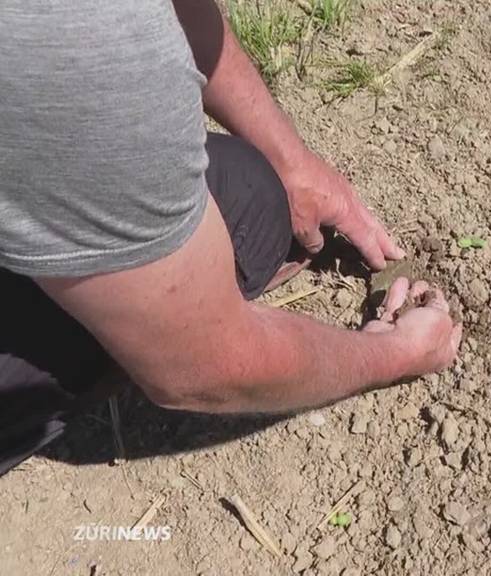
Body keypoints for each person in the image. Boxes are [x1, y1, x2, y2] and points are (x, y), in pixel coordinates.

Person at [0, 0, 462, 475]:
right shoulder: (81, 43)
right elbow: (199, 368)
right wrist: (395, 354)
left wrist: (292, 162)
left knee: (250, 201)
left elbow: (180, 9)